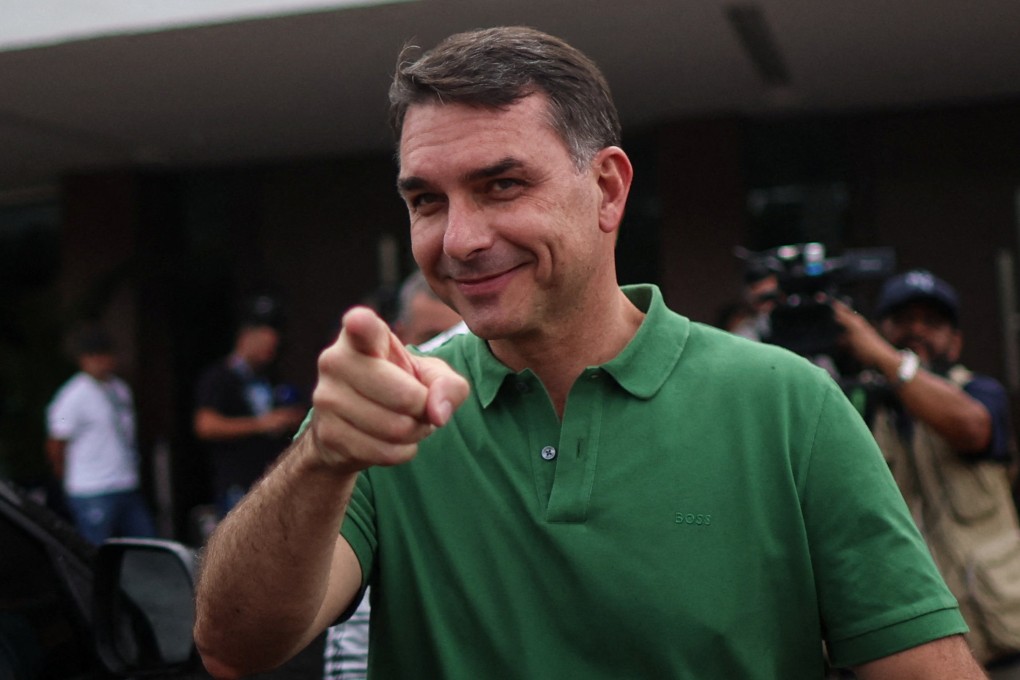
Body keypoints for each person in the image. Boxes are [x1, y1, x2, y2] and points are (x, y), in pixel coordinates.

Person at [194, 27, 987, 679]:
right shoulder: (388, 409)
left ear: (608, 190)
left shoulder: (789, 403)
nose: (460, 239)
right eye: (425, 201)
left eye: (502, 185)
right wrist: (320, 460)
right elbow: (233, 647)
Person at [834, 269, 1020, 678]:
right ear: (880, 328)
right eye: (902, 320)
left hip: (1006, 639)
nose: (916, 330)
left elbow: (972, 429)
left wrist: (887, 359)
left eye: (932, 323)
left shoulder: (979, 391)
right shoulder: (861, 409)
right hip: (923, 655)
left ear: (956, 342)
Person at [322, 269, 464, 680]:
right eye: (436, 337)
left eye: (462, 335)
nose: (449, 353)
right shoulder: (371, 427)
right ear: (400, 335)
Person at [193, 299, 306, 517]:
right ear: (246, 337)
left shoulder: (269, 377)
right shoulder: (219, 377)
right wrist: (262, 424)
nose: (270, 351)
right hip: (238, 485)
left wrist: (290, 419)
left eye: (273, 347)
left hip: (273, 481)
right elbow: (205, 425)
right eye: (265, 345)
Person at [45, 325, 156, 544]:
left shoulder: (120, 389)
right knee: (96, 549)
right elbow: (57, 439)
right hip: (92, 488)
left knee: (145, 544)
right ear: (83, 359)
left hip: (125, 482)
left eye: (105, 354)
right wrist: (65, 476)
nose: (101, 361)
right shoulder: (72, 397)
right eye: (94, 356)